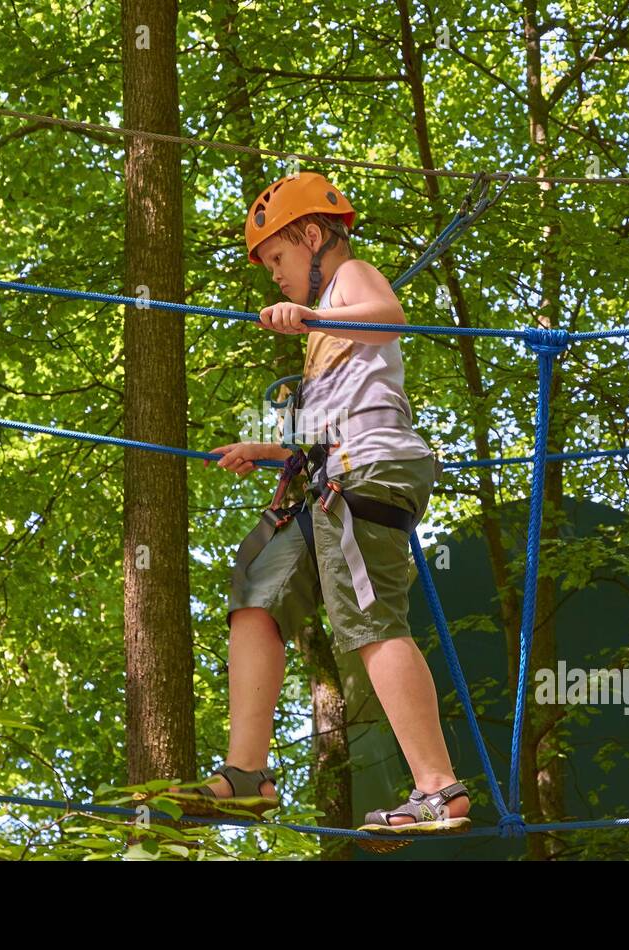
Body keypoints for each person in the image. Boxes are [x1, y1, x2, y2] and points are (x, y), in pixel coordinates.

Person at [166, 171, 471, 841]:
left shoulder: (351, 279)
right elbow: (329, 422)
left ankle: (436, 788)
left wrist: (313, 314)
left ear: (310, 236)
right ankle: (248, 775)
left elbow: (393, 319)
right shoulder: (323, 325)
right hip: (329, 473)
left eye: (276, 258)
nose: (273, 275)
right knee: (257, 585)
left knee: (367, 618)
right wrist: (269, 450)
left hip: (370, 469)